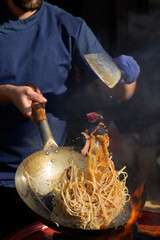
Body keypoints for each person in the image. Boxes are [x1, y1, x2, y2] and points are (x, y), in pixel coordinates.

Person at [0, 0, 140, 238]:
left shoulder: (69, 27)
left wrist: (127, 77)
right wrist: (6, 93)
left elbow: (120, 91)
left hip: (54, 181)